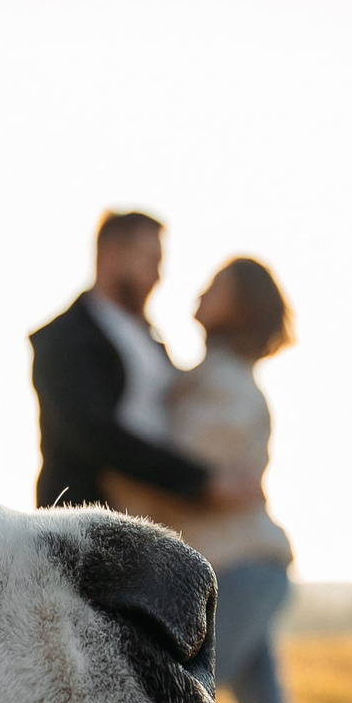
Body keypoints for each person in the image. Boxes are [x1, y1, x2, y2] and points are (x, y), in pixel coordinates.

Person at [102, 258, 311, 703]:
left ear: (239, 306)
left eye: (214, 286)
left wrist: (105, 457)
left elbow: (179, 474)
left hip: (242, 572)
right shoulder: (206, 378)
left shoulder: (224, 386)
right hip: (237, 570)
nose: (198, 291)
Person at [28, 211, 259, 512]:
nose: (158, 275)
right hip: (88, 530)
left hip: (157, 526)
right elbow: (93, 433)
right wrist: (201, 481)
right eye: (151, 260)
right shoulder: (64, 338)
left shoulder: (152, 343)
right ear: (111, 256)